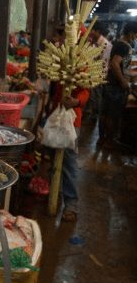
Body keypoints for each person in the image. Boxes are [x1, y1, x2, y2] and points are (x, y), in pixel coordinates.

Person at [47, 83, 90, 222]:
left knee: (69, 164)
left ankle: (71, 205)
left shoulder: (83, 66)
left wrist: (77, 101)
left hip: (72, 121)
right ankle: (55, 193)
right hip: (55, 117)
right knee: (53, 159)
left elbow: (86, 90)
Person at [98, 21, 137, 148]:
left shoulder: (117, 42)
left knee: (105, 113)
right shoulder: (123, 46)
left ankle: (102, 139)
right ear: (131, 33)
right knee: (112, 115)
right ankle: (108, 141)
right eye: (135, 35)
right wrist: (123, 81)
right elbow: (115, 64)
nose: (136, 38)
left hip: (110, 83)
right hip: (115, 86)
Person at [84, 21, 112, 124]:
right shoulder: (95, 42)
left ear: (98, 31)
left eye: (92, 30)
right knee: (91, 96)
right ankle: (90, 114)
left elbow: (102, 63)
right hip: (91, 73)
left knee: (96, 96)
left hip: (98, 74)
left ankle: (94, 117)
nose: (90, 32)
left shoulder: (105, 44)